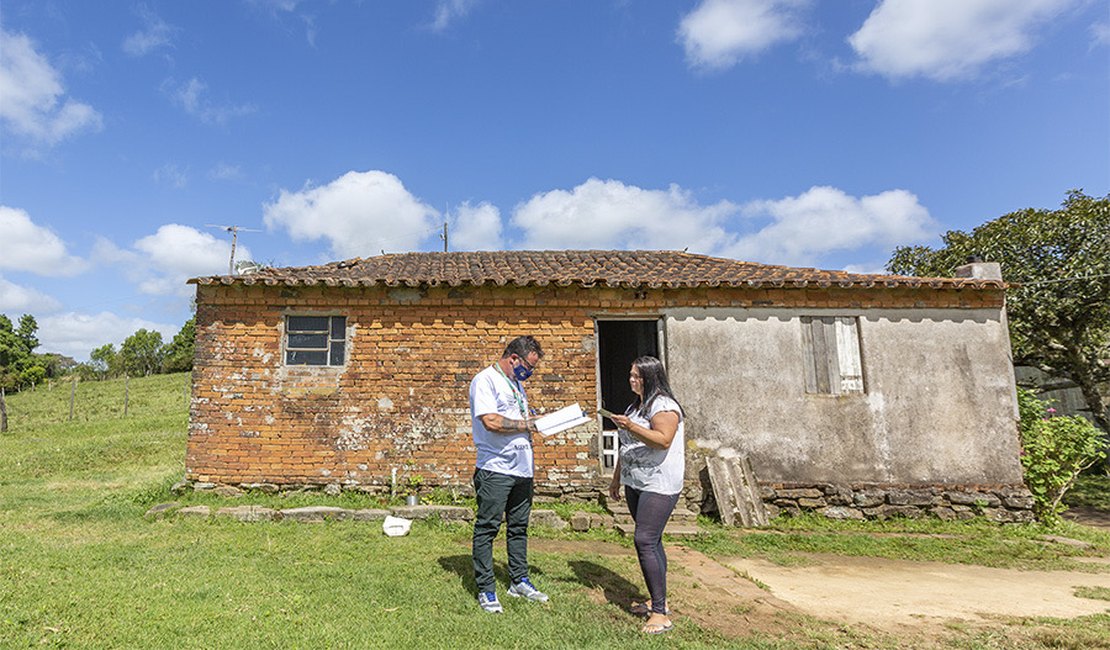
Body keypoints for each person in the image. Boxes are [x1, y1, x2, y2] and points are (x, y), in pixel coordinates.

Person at [470, 335, 550, 614]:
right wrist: (527, 423)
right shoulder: (485, 380)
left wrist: (537, 420)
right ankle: (486, 589)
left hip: (522, 469)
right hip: (496, 468)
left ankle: (519, 580)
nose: (529, 373)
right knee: (487, 528)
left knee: (519, 528)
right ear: (513, 358)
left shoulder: (516, 384)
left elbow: (518, 420)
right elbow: (491, 421)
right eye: (527, 367)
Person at [607, 356, 684, 635]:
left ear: (651, 378)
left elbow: (663, 440)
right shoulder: (636, 406)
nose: (631, 380)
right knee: (653, 540)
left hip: (659, 483)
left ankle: (661, 614)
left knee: (644, 540)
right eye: (630, 375)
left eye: (637, 376)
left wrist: (631, 426)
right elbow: (627, 445)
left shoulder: (663, 405)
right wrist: (617, 478)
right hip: (636, 481)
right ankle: (656, 600)